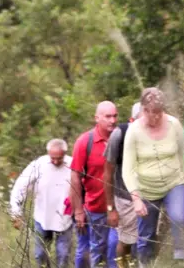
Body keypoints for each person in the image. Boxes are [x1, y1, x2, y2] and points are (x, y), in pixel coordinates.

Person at [122, 87, 184, 263]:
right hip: (147, 189)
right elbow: (128, 169)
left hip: (174, 183)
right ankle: (145, 264)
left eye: (160, 112)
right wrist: (136, 199)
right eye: (152, 113)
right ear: (144, 110)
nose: (157, 117)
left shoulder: (174, 124)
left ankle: (181, 259)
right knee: (146, 235)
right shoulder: (134, 131)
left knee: (178, 217)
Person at [70, 101, 120, 268]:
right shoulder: (85, 142)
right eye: (108, 116)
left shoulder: (122, 138)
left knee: (116, 248)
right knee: (97, 250)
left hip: (120, 207)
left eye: (115, 116)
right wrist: (78, 211)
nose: (112, 120)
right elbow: (75, 176)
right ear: (97, 118)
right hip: (95, 207)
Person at [11, 141, 76, 268]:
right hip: (42, 217)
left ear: (64, 154)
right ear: (48, 154)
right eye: (53, 158)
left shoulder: (72, 164)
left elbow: (83, 186)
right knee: (40, 255)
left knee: (63, 257)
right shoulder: (39, 164)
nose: (56, 162)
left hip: (65, 218)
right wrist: (16, 212)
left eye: (59, 158)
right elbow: (20, 186)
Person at [106, 103, 143, 267]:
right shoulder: (119, 135)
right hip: (124, 197)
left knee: (148, 240)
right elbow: (107, 174)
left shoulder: (159, 132)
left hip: (151, 196)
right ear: (131, 120)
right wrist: (110, 208)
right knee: (126, 241)